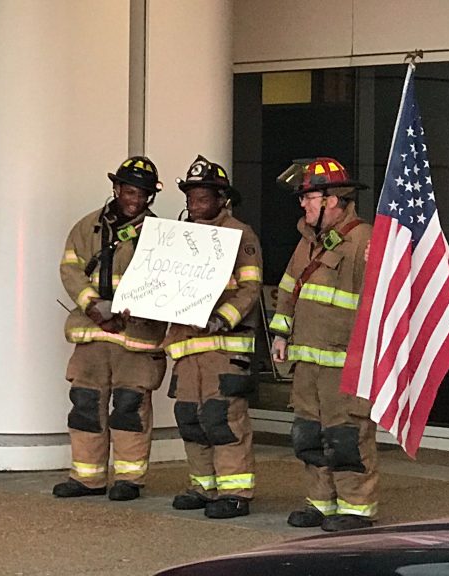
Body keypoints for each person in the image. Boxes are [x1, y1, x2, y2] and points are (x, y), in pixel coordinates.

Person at [269, 157, 377, 532]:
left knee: (346, 436)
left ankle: (356, 509)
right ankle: (321, 503)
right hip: (308, 364)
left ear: (331, 199)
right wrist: (281, 335)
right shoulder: (309, 241)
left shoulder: (365, 240)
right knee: (309, 436)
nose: (303, 204)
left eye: (309, 197)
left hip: (344, 365)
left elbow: (377, 305)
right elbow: (288, 291)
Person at [53, 156, 168, 501]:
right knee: (86, 405)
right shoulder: (86, 227)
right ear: (116, 188)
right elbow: (70, 269)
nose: (135, 198)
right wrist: (93, 305)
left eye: (143, 193)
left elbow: (166, 283)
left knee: (130, 409)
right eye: (130, 190)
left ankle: (129, 480)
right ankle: (86, 478)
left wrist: (137, 311)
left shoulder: (162, 236)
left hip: (136, 338)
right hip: (92, 336)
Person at [164, 155, 263, 519]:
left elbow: (250, 288)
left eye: (203, 197)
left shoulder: (241, 234)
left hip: (225, 347)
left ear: (223, 199)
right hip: (188, 347)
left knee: (224, 420)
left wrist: (223, 318)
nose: (195, 204)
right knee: (191, 418)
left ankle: (235, 492)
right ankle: (203, 487)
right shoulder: (178, 237)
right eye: (191, 197)